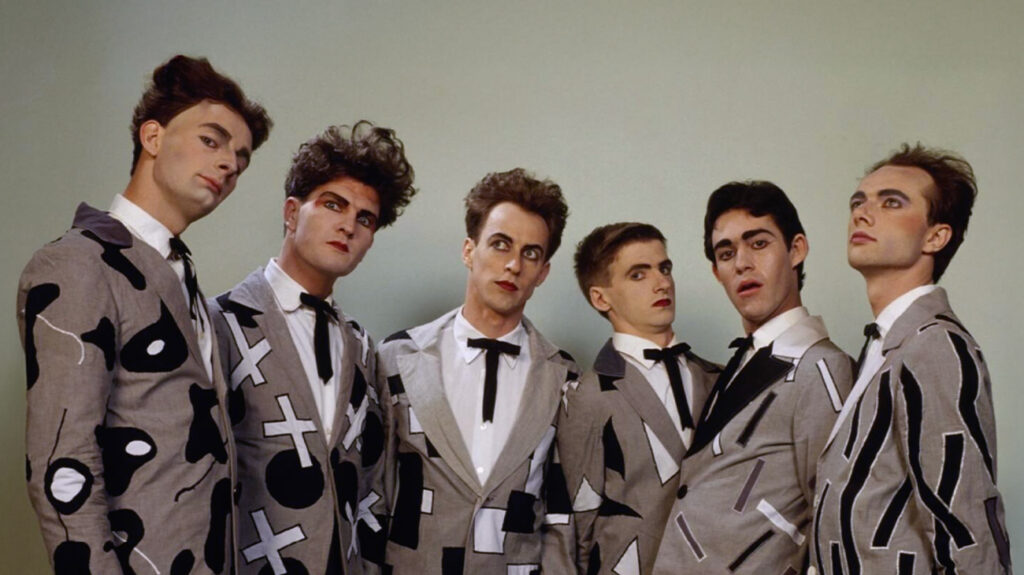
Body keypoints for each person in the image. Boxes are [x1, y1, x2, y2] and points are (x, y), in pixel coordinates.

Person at [16, 54, 271, 573]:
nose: (229, 164)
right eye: (211, 140)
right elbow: (62, 469)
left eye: (240, 159)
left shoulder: (183, 278)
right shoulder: (79, 261)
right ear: (152, 137)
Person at [208, 122, 415, 574]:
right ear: (291, 212)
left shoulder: (361, 347)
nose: (348, 226)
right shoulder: (218, 322)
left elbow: (371, 482)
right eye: (332, 204)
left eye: (365, 218)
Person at [810, 144, 1012, 574]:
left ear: (936, 236)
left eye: (891, 202)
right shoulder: (884, 349)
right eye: (859, 202)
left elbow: (967, 528)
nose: (863, 213)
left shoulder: (935, 346)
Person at [378, 168, 578, 574]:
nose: (513, 266)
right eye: (500, 245)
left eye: (531, 253)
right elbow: (372, 491)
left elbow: (561, 514)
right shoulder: (398, 356)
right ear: (469, 250)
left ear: (543, 272)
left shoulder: (563, 377)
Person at [653, 181, 852, 574]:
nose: (742, 262)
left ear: (796, 249)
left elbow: (835, 521)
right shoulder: (738, 364)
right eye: (726, 253)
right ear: (716, 271)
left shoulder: (822, 368)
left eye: (758, 243)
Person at [556, 222, 719, 574]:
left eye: (664, 268)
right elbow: (576, 523)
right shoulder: (586, 397)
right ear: (601, 297)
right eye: (637, 275)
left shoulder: (721, 379)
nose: (662, 283)